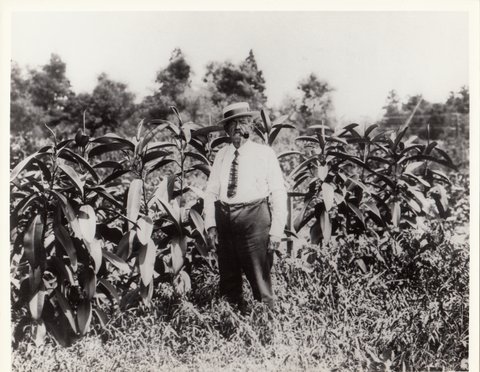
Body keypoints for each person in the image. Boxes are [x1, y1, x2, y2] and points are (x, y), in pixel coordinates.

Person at [204, 102, 288, 310]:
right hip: (225, 222)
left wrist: (277, 231)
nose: (238, 128)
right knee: (229, 281)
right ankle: (232, 325)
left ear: (250, 126)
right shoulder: (222, 156)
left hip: (254, 221)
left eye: (242, 122)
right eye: (232, 124)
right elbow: (210, 192)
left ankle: (267, 328)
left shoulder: (264, 154)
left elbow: (278, 192)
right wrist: (211, 226)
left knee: (260, 280)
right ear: (226, 129)